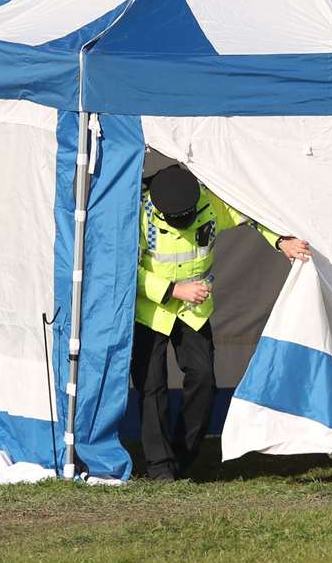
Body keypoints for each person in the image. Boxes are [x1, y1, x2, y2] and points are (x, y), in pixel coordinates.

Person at [130, 162, 312, 481]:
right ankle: (160, 468)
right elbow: (125, 273)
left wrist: (280, 241)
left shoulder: (208, 202)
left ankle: (183, 458)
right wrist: (174, 289)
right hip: (151, 311)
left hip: (194, 311)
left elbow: (251, 215)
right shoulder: (140, 215)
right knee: (151, 387)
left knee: (203, 380)